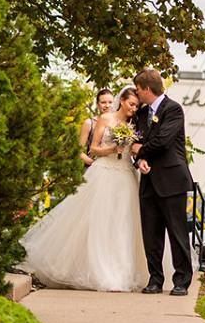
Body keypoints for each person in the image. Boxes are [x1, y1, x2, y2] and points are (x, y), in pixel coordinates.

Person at [19, 87, 148, 291]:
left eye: (137, 106)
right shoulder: (104, 119)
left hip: (125, 175)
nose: (134, 108)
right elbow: (93, 148)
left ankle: (121, 271)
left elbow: (135, 150)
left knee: (123, 223)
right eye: (131, 104)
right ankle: (98, 270)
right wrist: (113, 149)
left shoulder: (134, 124)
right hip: (104, 171)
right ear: (122, 100)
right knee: (98, 221)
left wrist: (134, 152)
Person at [130, 69, 194, 296]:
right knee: (151, 234)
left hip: (172, 180)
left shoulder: (173, 109)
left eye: (138, 90)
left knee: (177, 233)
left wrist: (140, 151)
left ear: (147, 89)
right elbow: (134, 140)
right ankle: (155, 279)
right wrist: (139, 160)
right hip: (148, 181)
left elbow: (163, 141)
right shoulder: (141, 114)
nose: (136, 94)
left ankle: (181, 281)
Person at [78, 89, 114, 169]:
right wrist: (93, 163)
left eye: (110, 102)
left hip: (113, 166)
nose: (107, 105)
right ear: (97, 104)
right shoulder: (89, 123)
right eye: (103, 102)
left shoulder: (119, 123)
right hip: (93, 167)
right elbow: (78, 151)